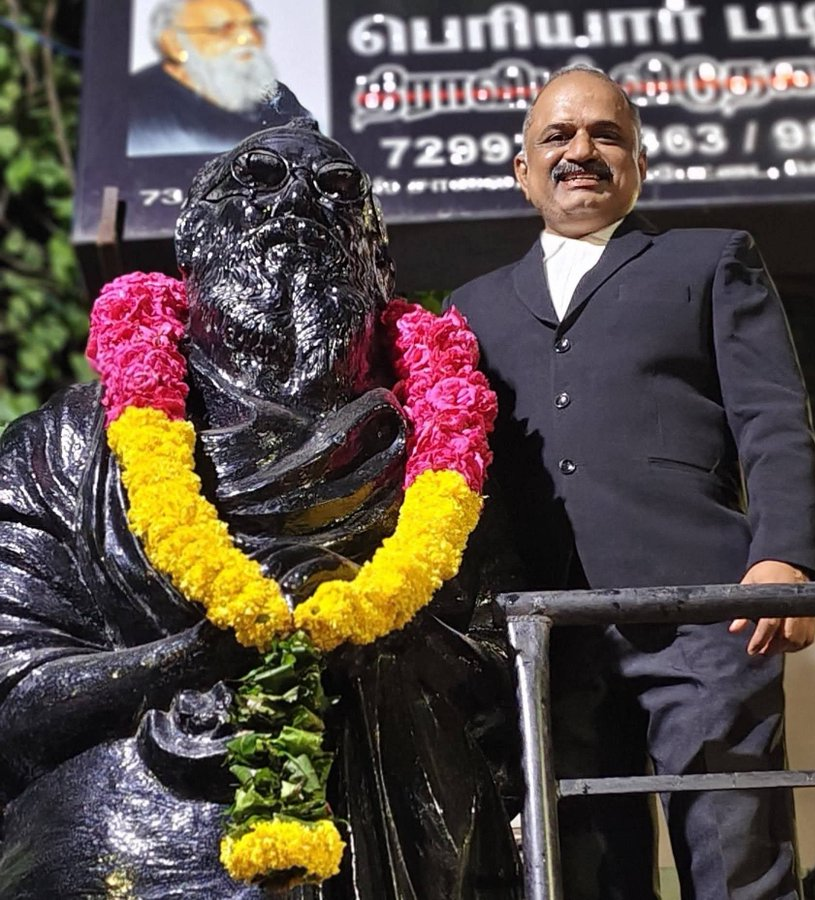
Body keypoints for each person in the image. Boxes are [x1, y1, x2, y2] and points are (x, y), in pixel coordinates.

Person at [0, 118, 521, 898]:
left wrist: (365, 637)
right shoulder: (61, 447)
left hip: (389, 836)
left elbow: (495, 673)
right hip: (123, 845)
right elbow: (14, 695)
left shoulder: (445, 457)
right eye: (260, 179)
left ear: (380, 263)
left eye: (335, 191)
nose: (298, 200)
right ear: (191, 242)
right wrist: (197, 654)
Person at [449, 65, 815, 900]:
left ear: (639, 164)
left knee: (736, 860)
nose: (581, 151)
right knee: (583, 870)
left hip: (709, 616)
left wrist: (786, 559)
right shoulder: (469, 309)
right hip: (548, 635)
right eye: (558, 136)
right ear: (522, 171)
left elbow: (771, 417)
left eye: (605, 135)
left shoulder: (709, 261)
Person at [127, 0, 308, 156]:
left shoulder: (276, 96)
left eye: (253, 26)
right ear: (173, 43)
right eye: (225, 28)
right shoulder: (134, 110)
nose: (249, 37)